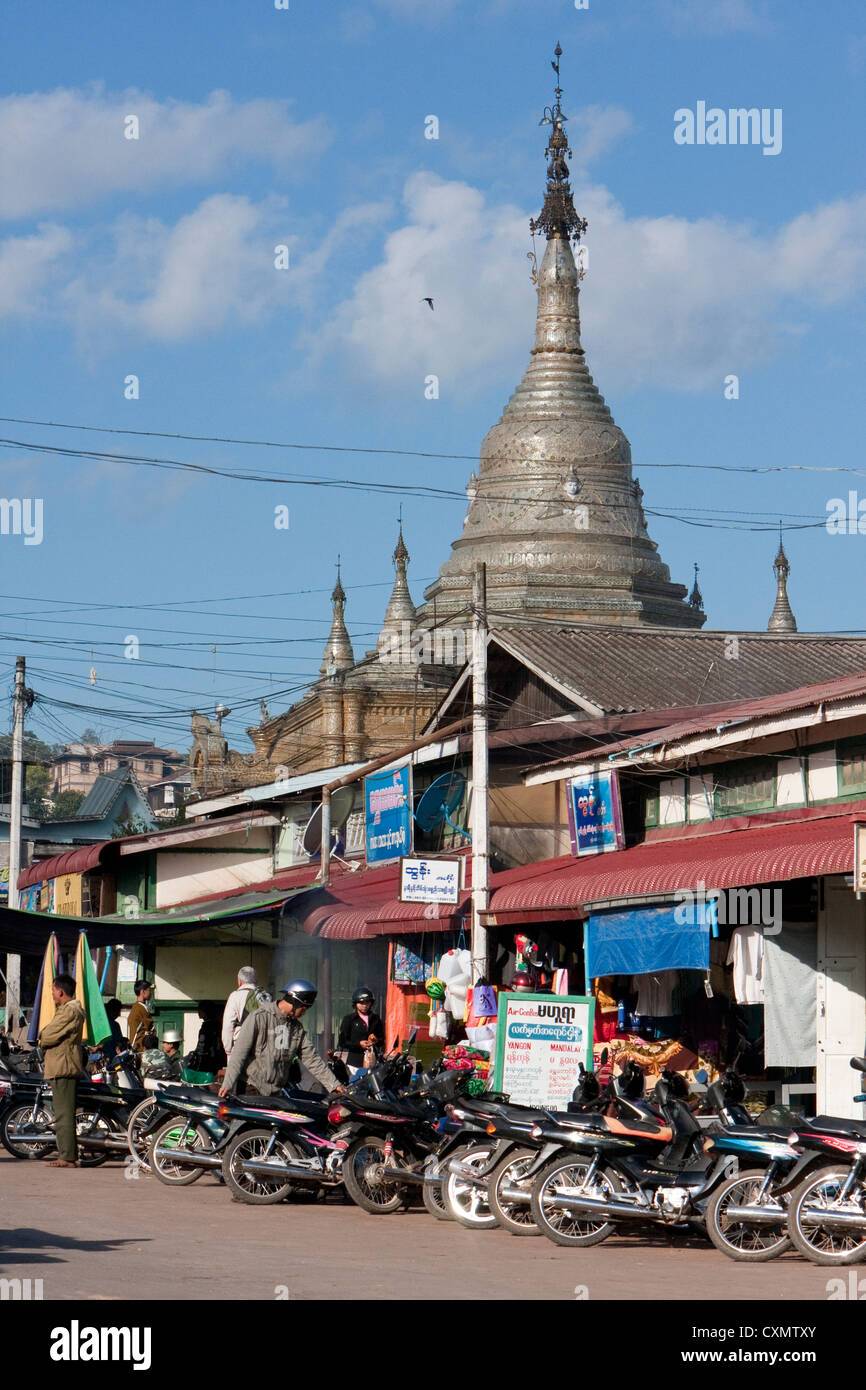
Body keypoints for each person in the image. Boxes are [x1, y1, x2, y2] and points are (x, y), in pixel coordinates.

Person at [219, 978, 342, 1098]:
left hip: (276, 1091)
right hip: (251, 1087)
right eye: (303, 1008)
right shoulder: (259, 1017)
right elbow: (239, 1053)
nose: (304, 1013)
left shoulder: (297, 1029)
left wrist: (334, 1085)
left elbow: (312, 1059)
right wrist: (227, 1084)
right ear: (293, 1001)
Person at [37, 972, 85, 1169]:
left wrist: (42, 1035)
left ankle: (67, 1156)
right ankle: (66, 1153)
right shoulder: (68, 1009)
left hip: (64, 1066)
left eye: (53, 990)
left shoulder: (69, 1011)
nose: (51, 994)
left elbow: (48, 1036)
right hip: (62, 1065)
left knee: (64, 1114)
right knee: (62, 1113)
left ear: (61, 992)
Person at [221, 966, 268, 1058]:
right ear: (255, 980)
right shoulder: (265, 996)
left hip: (241, 1045)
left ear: (239, 981)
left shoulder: (235, 996)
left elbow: (228, 1025)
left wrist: (228, 1050)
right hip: (263, 1046)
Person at [337, 987, 385, 1077]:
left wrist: (376, 1040)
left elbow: (382, 1040)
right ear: (355, 1004)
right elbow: (342, 1042)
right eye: (361, 1003)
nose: (364, 1005)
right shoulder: (349, 1019)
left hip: (372, 1062)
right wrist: (359, 1044)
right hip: (354, 1064)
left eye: (367, 1002)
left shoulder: (376, 1019)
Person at [187, 1002, 226, 1076]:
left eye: (200, 1010)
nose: (198, 1012)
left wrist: (198, 1060)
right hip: (218, 1059)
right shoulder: (218, 1025)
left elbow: (202, 1045)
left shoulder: (207, 1026)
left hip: (208, 1061)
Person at [127, 979, 154, 1052]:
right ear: (143, 991)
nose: (150, 993)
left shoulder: (142, 1007)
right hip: (140, 1049)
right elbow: (137, 1033)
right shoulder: (138, 1009)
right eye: (149, 990)